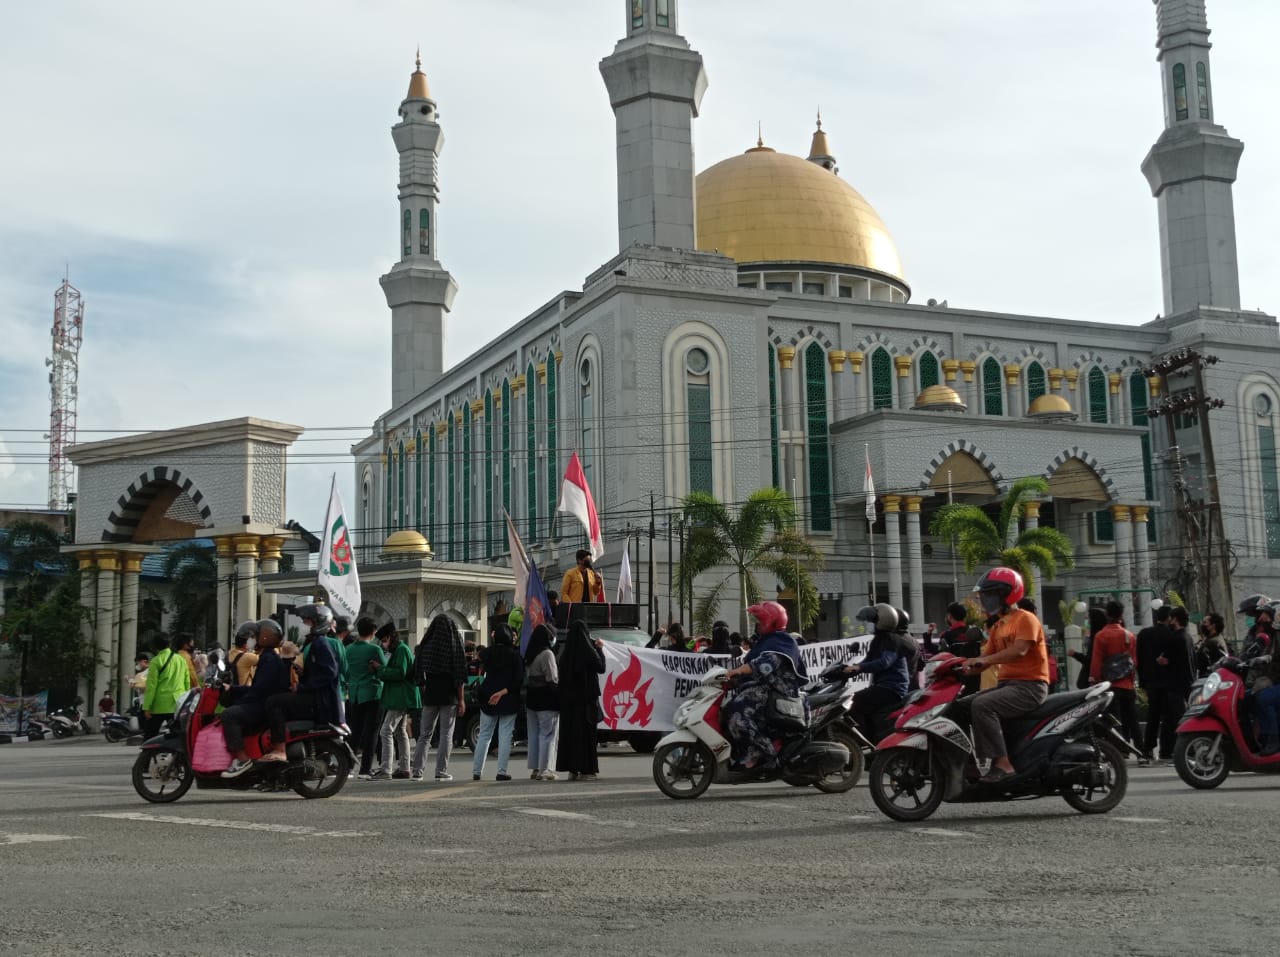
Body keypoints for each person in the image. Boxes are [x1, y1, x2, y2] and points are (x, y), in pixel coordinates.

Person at [959, 568, 1050, 784]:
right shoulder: (999, 625)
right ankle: (971, 760)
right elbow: (986, 658)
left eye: (990, 595)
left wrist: (984, 661)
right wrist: (961, 665)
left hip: (1030, 687)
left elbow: (1018, 651)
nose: (985, 600)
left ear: (1007, 594)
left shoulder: (1026, 619)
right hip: (1007, 685)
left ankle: (1003, 763)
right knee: (961, 706)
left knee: (983, 705)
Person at [720, 601, 807, 772]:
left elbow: (763, 665)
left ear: (771, 622)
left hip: (778, 692)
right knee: (727, 708)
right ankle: (743, 751)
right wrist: (732, 678)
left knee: (737, 712)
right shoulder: (765, 640)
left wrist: (736, 671)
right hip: (763, 689)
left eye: (760, 621)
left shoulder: (782, 641)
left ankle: (764, 753)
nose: (757, 624)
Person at [260, 604, 343, 764]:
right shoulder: (314, 643)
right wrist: (303, 674)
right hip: (314, 696)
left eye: (307, 622)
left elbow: (329, 673)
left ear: (318, 624)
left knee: (273, 702)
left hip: (319, 700)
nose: (304, 626)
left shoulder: (321, 644)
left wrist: (303, 686)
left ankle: (280, 749)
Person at [220, 619, 292, 778]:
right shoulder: (266, 657)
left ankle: (242, 759)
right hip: (262, 701)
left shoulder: (269, 659)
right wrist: (232, 689)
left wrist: (237, 694)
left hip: (262, 704)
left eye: (254, 636)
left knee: (229, 715)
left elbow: (259, 689)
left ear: (265, 638)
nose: (251, 639)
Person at [410, 614, 468, 782]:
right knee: (446, 735)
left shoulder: (425, 646)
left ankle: (417, 772)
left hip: (430, 695)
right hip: (449, 696)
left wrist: (424, 688)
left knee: (424, 735)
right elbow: (459, 676)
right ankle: (441, 771)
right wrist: (462, 699)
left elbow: (418, 675)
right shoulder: (455, 645)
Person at [842, 604, 910, 741]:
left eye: (872, 622)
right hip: (882, 686)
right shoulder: (878, 640)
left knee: (854, 702)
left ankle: (864, 742)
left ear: (882, 621)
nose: (870, 625)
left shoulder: (892, 639)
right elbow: (867, 661)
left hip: (892, 688)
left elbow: (885, 662)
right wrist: (845, 670)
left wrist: (859, 668)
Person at [472, 623, 524, 781]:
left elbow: (477, 662)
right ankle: (501, 772)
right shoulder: (515, 654)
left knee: (484, 735)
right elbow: (519, 680)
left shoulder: (487, 653)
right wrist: (502, 693)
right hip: (508, 698)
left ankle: (477, 771)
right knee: (505, 735)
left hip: (488, 698)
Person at [557, 620, 607, 780]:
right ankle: (587, 770)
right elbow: (601, 668)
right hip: (587, 703)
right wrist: (600, 650)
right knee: (587, 737)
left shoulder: (565, 655)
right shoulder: (590, 653)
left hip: (569, 704)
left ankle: (573, 770)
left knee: (571, 736)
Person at [1088, 600, 1141, 751]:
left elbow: (1097, 661)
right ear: (1121, 615)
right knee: (1132, 720)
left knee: (1113, 720)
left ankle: (1119, 751)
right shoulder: (1129, 636)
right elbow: (1134, 661)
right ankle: (1142, 751)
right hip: (1128, 684)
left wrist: (1094, 679)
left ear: (1107, 614)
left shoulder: (1101, 635)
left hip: (1110, 685)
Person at [370, 625, 418, 780]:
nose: (383, 644)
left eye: (384, 640)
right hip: (399, 696)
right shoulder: (398, 650)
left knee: (386, 731)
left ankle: (386, 769)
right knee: (400, 732)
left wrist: (380, 669)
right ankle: (404, 768)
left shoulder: (402, 650)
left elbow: (400, 673)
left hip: (400, 697)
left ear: (391, 637)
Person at [346, 617, 386, 779]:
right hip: (373, 692)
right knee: (372, 732)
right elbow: (383, 670)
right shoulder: (375, 650)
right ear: (373, 632)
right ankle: (365, 769)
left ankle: (348, 767)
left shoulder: (349, 649)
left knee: (355, 731)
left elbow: (346, 672)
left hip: (355, 694)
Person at [1135, 605, 1174, 765]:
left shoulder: (1144, 634)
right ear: (1169, 618)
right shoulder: (1172, 635)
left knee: (1153, 715)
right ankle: (1166, 750)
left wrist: (1142, 680)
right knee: (1168, 716)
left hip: (1150, 681)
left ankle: (1148, 749)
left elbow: (1139, 658)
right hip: (1168, 681)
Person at [524, 623, 560, 780]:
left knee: (534, 734)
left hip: (531, 699)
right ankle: (545, 769)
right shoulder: (547, 654)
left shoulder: (530, 655)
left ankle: (535, 768)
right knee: (548, 734)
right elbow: (552, 679)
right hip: (547, 699)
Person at [141, 633, 195, 737]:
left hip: (159, 705)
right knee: (178, 734)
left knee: (150, 735)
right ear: (169, 644)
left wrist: (147, 707)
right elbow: (186, 682)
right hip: (177, 703)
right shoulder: (180, 660)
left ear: (155, 646)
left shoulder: (156, 661)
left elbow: (151, 686)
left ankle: (149, 752)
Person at [1195, 612, 1229, 678]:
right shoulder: (1208, 639)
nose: (1202, 625)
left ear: (1213, 625)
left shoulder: (1216, 642)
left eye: (1205, 622)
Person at [230, 621, 260, 686]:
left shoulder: (230, 653)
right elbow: (266, 658)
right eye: (252, 639)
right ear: (245, 645)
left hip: (232, 691)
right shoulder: (247, 657)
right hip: (244, 692)